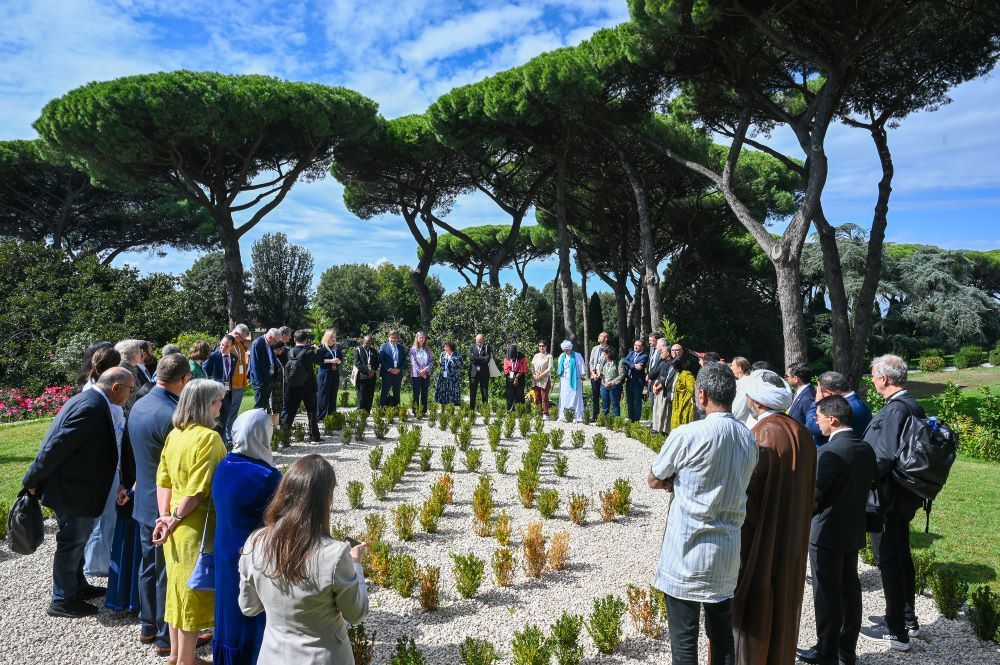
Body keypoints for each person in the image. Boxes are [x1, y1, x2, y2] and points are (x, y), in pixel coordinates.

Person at [647, 362, 759, 665]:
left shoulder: (688, 434)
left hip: (687, 550)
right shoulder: (748, 437)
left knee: (684, 642)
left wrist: (676, 481)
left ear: (702, 395)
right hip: (725, 551)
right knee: (722, 637)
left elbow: (655, 477)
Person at [22, 366, 134, 618]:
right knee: (71, 542)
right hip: (73, 490)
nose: (130, 394)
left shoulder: (90, 400)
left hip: (77, 487)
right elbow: (56, 446)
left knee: (77, 540)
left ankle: (77, 586)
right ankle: (62, 600)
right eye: (130, 389)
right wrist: (31, 480)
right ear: (116, 387)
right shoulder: (91, 407)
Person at [238, 455, 369, 664]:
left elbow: (249, 606)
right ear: (326, 499)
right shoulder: (335, 554)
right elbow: (356, 613)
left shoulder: (255, 542)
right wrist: (356, 563)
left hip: (272, 656)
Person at [733, 370, 817, 665]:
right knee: (784, 602)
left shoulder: (760, 435)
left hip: (759, 537)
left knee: (753, 605)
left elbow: (746, 492)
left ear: (754, 402)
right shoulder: (802, 433)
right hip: (792, 535)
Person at [128, 354, 204, 656]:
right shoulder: (172, 415)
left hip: (144, 498)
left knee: (148, 567)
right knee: (166, 573)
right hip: (165, 504)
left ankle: (148, 624)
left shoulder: (139, 403)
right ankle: (165, 636)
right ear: (184, 380)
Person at [153, 378, 228, 665]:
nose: (221, 405)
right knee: (192, 593)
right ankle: (186, 659)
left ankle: (176, 654)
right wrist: (174, 518)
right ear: (206, 405)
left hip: (174, 524)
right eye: (218, 400)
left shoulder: (175, 435)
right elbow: (199, 490)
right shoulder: (209, 439)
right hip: (195, 526)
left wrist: (165, 516)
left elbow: (163, 480)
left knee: (177, 590)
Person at [797, 396, 877, 665]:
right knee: (849, 589)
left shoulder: (829, 452)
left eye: (818, 417)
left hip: (826, 533)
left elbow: (813, 496)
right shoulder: (865, 448)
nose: (816, 422)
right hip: (852, 529)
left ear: (832, 419)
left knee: (826, 593)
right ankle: (847, 649)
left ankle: (826, 651)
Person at [859, 355, 925, 652]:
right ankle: (907, 618)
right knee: (900, 554)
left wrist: (859, 480)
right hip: (906, 495)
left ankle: (896, 630)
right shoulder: (912, 403)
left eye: (873, 375)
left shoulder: (896, 409)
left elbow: (883, 457)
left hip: (889, 497)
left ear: (885, 379)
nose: (872, 379)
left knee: (889, 559)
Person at [212, 409, 282, 665]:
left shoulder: (225, 465)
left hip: (223, 546)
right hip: (252, 553)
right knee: (250, 610)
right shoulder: (266, 475)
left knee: (227, 609)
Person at [80, 346, 128, 577]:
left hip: (103, 464)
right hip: (107, 466)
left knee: (103, 516)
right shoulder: (103, 399)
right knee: (104, 517)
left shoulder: (92, 390)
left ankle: (96, 559)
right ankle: (97, 565)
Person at [805, 371, 873, 444]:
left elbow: (811, 427)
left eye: (819, 391)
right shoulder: (861, 404)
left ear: (828, 393)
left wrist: (816, 402)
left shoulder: (842, 407)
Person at [282, 330, 323, 442]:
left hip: (292, 386)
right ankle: (314, 435)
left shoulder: (289, 352)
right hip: (308, 387)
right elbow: (319, 361)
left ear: (294, 340)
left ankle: (284, 436)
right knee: (311, 411)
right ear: (306, 340)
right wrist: (317, 350)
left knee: (290, 412)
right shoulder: (309, 352)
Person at [203, 335, 238, 447]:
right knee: (214, 420)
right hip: (214, 395)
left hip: (227, 394)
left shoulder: (234, 358)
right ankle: (211, 444)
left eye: (226, 346)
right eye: (222, 344)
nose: (223, 347)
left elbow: (230, 375)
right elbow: (205, 373)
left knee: (224, 419)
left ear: (232, 347)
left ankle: (221, 445)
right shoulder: (213, 356)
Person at [225, 324, 251, 444]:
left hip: (239, 384)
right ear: (236, 334)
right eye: (242, 338)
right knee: (228, 410)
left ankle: (231, 432)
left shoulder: (239, 345)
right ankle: (226, 435)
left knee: (234, 410)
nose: (243, 340)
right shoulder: (226, 344)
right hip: (230, 385)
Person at [248, 329, 280, 412]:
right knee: (259, 406)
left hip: (268, 378)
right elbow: (254, 365)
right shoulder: (258, 343)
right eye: (276, 341)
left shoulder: (270, 344)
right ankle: (256, 424)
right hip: (260, 380)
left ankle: (262, 423)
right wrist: (259, 382)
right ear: (270, 337)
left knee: (265, 404)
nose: (276, 343)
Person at [316, 329, 344, 420]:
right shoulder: (321, 347)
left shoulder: (337, 348)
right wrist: (331, 361)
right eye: (331, 337)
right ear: (326, 338)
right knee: (323, 395)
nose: (333, 339)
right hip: (325, 374)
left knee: (333, 395)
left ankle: (332, 415)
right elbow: (318, 361)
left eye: (335, 337)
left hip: (334, 373)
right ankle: (320, 416)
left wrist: (339, 361)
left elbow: (341, 360)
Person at [555, 340, 586, 422]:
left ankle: (576, 416)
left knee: (575, 398)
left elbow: (582, 368)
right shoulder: (562, 356)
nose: (566, 351)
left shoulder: (577, 355)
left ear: (570, 348)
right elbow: (559, 368)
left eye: (567, 350)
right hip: (564, 380)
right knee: (564, 397)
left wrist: (581, 376)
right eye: (564, 350)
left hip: (575, 380)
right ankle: (563, 416)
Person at [650, 345, 675, 434]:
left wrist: (657, 387)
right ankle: (657, 428)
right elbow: (660, 376)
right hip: (658, 388)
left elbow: (666, 379)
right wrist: (654, 385)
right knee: (657, 409)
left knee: (663, 410)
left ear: (668, 353)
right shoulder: (664, 362)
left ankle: (663, 430)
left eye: (662, 352)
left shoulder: (670, 363)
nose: (661, 353)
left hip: (663, 390)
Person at [378, 330, 407, 407]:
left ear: (397, 338)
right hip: (387, 373)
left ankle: (397, 410)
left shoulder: (401, 347)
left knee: (397, 392)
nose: (393, 339)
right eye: (392, 338)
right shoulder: (383, 346)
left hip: (398, 373)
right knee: (384, 392)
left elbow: (404, 360)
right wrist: (389, 369)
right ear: (388, 337)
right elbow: (381, 359)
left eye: (395, 338)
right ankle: (381, 410)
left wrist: (399, 369)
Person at [786, 361, 817, 431]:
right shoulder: (799, 393)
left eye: (787, 376)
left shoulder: (808, 397)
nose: (786, 378)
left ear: (796, 378)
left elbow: (811, 424)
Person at [670, 350, 696, 431]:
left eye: (674, 366)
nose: (673, 368)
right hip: (678, 403)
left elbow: (693, 388)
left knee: (683, 423)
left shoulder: (686, 375)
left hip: (684, 404)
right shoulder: (680, 374)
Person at [623, 339, 648, 422]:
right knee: (629, 401)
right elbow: (624, 361)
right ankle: (631, 419)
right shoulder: (631, 353)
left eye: (638, 345)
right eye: (635, 345)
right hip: (629, 381)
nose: (636, 347)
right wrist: (633, 365)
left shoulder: (644, 356)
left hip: (638, 382)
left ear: (642, 347)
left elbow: (639, 368)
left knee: (637, 402)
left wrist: (630, 364)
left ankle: (636, 420)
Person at [354, 335, 379, 412]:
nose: (367, 344)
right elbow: (357, 364)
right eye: (365, 342)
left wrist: (373, 371)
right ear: (363, 341)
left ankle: (368, 411)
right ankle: (361, 411)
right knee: (361, 395)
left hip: (372, 377)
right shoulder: (358, 350)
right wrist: (367, 371)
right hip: (362, 376)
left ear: (371, 342)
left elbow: (377, 363)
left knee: (370, 395)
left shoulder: (374, 351)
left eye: (369, 342)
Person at [588, 332, 611, 419]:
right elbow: (591, 362)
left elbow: (610, 363)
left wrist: (600, 373)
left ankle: (606, 416)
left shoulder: (610, 349)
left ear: (605, 339)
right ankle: (595, 416)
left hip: (604, 377)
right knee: (595, 396)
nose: (598, 337)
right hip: (594, 376)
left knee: (605, 397)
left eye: (600, 336)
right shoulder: (594, 348)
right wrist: (593, 373)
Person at [410, 331, 433, 417]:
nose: (422, 339)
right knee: (416, 392)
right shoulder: (413, 349)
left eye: (423, 337)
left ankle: (423, 410)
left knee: (424, 392)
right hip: (416, 374)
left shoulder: (428, 349)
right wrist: (420, 371)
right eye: (420, 337)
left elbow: (431, 361)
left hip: (426, 373)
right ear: (417, 338)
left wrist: (425, 370)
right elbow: (413, 362)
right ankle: (415, 411)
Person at [599, 346, 626, 417]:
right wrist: (599, 374)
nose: (604, 355)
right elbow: (601, 371)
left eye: (605, 354)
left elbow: (622, 374)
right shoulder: (604, 361)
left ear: (610, 354)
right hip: (604, 385)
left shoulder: (619, 362)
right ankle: (605, 421)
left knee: (615, 404)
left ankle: (616, 422)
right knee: (605, 405)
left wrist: (612, 382)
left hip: (614, 386)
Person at [468, 334, 493, 410]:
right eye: (478, 341)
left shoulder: (487, 347)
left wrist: (477, 359)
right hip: (473, 373)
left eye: (480, 342)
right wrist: (481, 358)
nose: (479, 343)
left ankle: (485, 410)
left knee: (484, 392)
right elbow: (471, 358)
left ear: (483, 340)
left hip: (484, 373)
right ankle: (471, 409)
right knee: (473, 392)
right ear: (475, 340)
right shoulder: (472, 346)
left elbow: (487, 359)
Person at [434, 342, 463, 406]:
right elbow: (440, 364)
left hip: (453, 377)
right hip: (443, 376)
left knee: (452, 393)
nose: (445, 348)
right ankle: (443, 408)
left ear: (451, 347)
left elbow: (461, 366)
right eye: (444, 347)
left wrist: (452, 361)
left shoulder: (457, 355)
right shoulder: (443, 354)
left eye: (446, 347)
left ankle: (451, 409)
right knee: (443, 392)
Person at [530, 341, 553, 416]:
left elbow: (549, 368)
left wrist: (541, 375)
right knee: (537, 397)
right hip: (536, 379)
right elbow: (532, 366)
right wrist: (534, 374)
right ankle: (538, 413)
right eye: (539, 346)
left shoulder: (549, 356)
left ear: (546, 347)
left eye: (543, 346)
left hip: (544, 379)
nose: (541, 347)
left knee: (544, 397)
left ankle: (546, 414)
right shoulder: (536, 355)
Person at [503, 345, 528, 412]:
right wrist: (513, 377)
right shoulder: (506, 357)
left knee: (520, 393)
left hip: (520, 375)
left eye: (513, 358)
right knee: (510, 393)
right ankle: (509, 410)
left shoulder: (522, 357)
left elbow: (523, 369)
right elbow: (506, 369)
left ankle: (520, 410)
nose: (512, 359)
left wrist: (516, 378)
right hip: (510, 375)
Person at [731, 356, 753, 425]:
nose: (730, 368)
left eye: (732, 365)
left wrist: (729, 418)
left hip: (741, 423)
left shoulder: (743, 383)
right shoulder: (747, 381)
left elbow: (738, 408)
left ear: (739, 369)